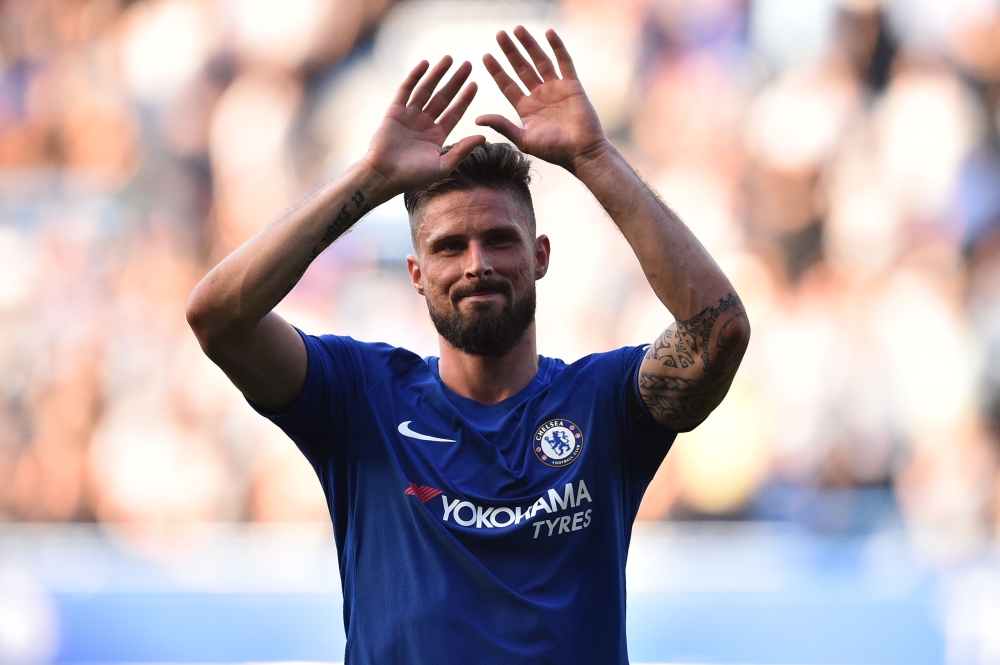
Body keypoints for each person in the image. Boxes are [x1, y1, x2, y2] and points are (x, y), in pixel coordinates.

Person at [186, 25, 749, 665]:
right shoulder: (360, 398)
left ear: (540, 256)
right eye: (449, 247)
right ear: (416, 273)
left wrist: (594, 157)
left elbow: (719, 330)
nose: (477, 263)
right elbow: (218, 318)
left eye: (500, 240)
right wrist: (371, 177)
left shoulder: (604, 404)